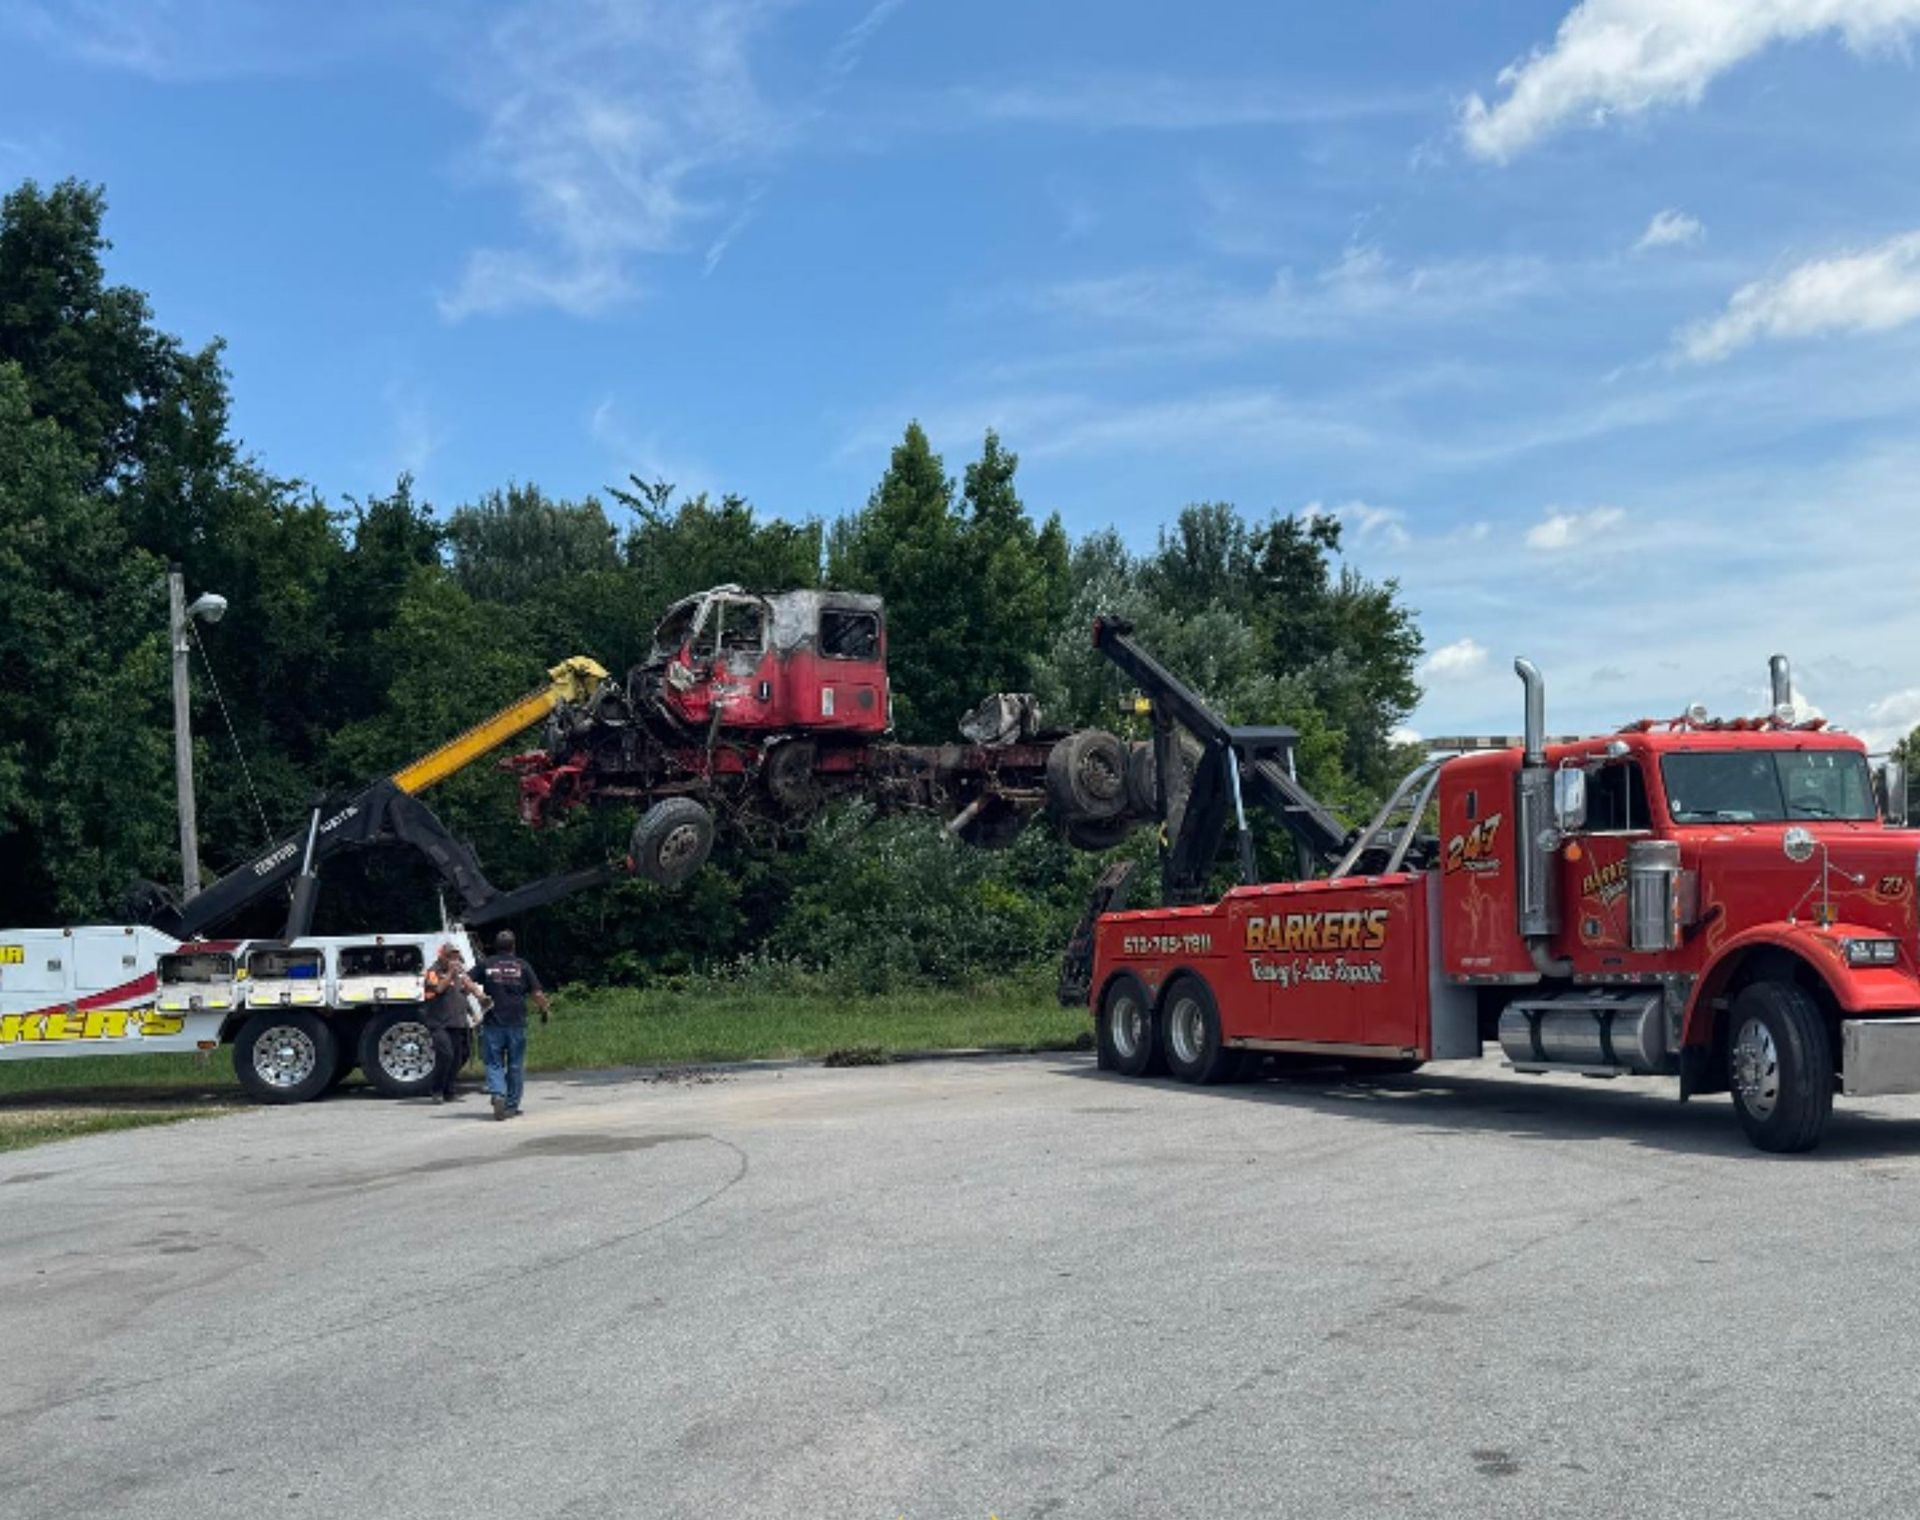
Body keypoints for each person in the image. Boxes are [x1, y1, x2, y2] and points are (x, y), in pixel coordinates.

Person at [475, 930, 550, 1120]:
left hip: (493, 1022)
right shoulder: (522, 965)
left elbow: (465, 980)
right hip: (517, 1023)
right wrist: (544, 1009)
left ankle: (498, 1094)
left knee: (494, 1063)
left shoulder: (487, 964)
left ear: (495, 946)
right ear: (513, 946)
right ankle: (511, 1106)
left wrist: (479, 995)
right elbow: (537, 994)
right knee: (515, 1065)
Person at [421, 942, 484, 1104]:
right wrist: (450, 973)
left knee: (457, 1057)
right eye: (450, 957)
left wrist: (473, 1013)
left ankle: (449, 1090)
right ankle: (436, 1090)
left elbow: (461, 997)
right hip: (439, 1022)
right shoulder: (433, 972)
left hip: (457, 1021)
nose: (454, 960)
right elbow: (438, 989)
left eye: (456, 957)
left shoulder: (459, 975)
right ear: (442, 956)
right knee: (446, 1054)